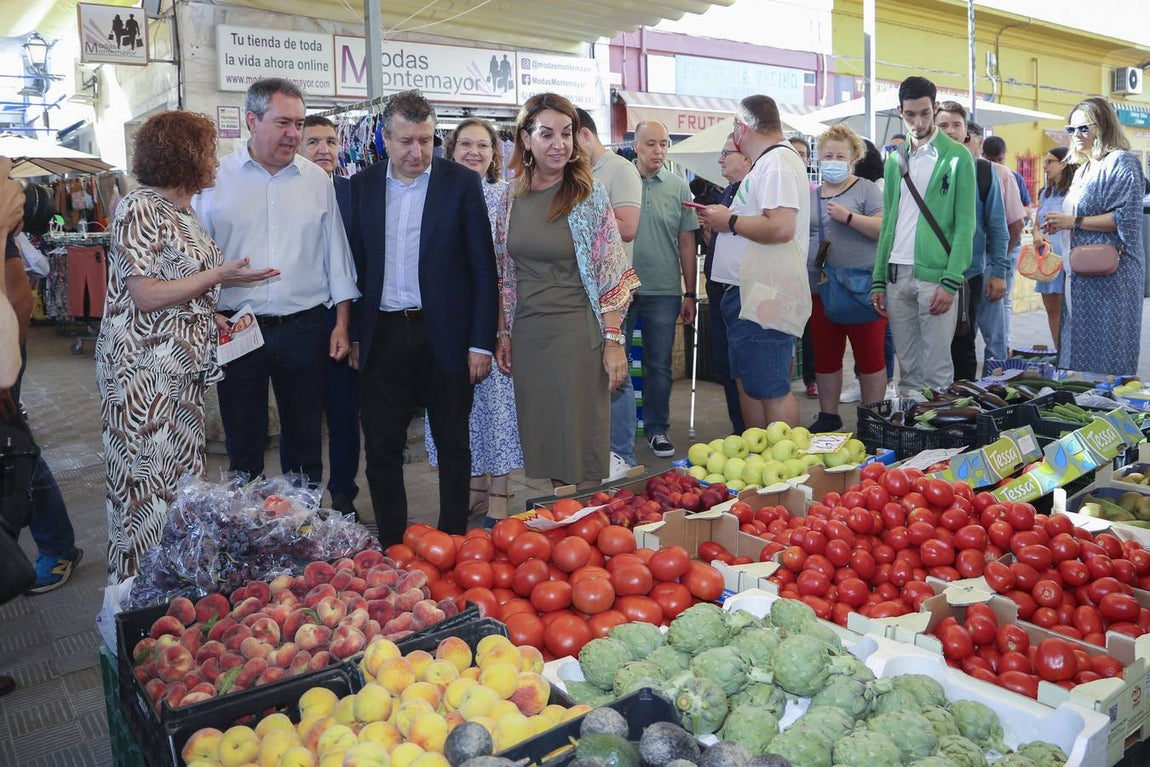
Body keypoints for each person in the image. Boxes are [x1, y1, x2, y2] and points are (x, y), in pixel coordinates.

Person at [97, 111, 279, 582]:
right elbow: (145, 293)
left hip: (181, 369)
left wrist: (215, 311)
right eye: (209, 148)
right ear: (185, 155)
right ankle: (133, 592)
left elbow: (181, 287)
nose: (216, 159)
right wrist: (221, 275)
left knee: (179, 485)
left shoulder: (183, 209)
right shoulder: (139, 207)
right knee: (145, 486)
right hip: (143, 372)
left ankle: (170, 585)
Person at [348, 90, 499, 545]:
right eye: (407, 141)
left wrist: (480, 342)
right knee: (381, 448)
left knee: (454, 444)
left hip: (446, 336)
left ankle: (451, 541)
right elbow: (356, 265)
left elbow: (482, 268)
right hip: (384, 335)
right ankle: (392, 545)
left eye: (427, 141)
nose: (418, 152)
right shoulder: (362, 186)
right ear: (385, 138)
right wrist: (355, 333)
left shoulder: (460, 184)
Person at [193, 79, 360, 488]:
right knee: (243, 440)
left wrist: (341, 324)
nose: (294, 134)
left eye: (299, 123)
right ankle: (248, 536)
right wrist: (209, 308)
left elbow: (336, 254)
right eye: (283, 122)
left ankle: (301, 526)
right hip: (236, 327)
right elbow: (194, 255)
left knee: (304, 438)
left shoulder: (316, 180)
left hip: (305, 327)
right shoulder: (215, 180)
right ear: (252, 120)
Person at [493, 92, 638, 488]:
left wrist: (613, 342)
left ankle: (584, 528)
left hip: (578, 334)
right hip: (529, 334)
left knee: (580, 443)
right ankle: (562, 524)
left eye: (567, 133)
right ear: (526, 139)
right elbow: (504, 274)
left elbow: (611, 273)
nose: (558, 144)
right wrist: (504, 331)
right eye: (546, 133)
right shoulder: (507, 197)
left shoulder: (588, 197)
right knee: (545, 439)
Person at [422, 118, 523, 528]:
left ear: (495, 154)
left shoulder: (506, 197)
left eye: (483, 145)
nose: (474, 152)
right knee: (459, 410)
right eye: (466, 144)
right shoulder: (434, 192)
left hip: (497, 316)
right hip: (448, 319)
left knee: (498, 407)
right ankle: (473, 490)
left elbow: (506, 264)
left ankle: (499, 494)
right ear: (451, 149)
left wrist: (502, 324)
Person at [698, 94, 811, 429]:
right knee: (750, 383)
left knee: (770, 387)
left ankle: (784, 467)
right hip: (750, 292)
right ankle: (761, 460)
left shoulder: (777, 162)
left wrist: (728, 221)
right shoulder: (768, 163)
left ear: (741, 127)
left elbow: (780, 227)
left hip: (764, 292)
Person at [869, 76, 974, 394]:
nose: (918, 122)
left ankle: (941, 442)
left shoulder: (957, 157)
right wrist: (877, 279)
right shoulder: (894, 160)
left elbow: (965, 225)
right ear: (900, 111)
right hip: (896, 274)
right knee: (908, 370)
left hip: (936, 277)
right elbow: (889, 223)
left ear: (935, 108)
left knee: (937, 371)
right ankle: (912, 438)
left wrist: (951, 279)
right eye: (910, 114)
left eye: (925, 113)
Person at [1043, 96, 1145, 375]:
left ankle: (1105, 409)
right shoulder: (1084, 168)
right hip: (1081, 276)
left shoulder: (1122, 163)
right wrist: (1063, 224)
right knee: (1078, 357)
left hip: (1112, 278)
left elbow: (1127, 219)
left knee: (1107, 357)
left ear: (1103, 127)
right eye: (1071, 129)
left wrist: (1073, 221)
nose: (1075, 135)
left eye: (1083, 128)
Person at [296, 115, 360, 516]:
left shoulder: (355, 192)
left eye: (331, 141)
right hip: (301, 322)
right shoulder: (290, 193)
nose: (324, 149)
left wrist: (355, 330)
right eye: (313, 141)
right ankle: (302, 503)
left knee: (344, 417)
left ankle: (343, 498)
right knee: (300, 419)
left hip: (345, 321)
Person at [575, 108, 643, 478]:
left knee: (617, 373)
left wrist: (584, 212)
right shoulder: (578, 174)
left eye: (569, 137)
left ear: (584, 134)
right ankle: (598, 451)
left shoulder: (620, 170)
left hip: (611, 292)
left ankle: (621, 454)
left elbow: (628, 227)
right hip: (580, 296)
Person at [805, 124, 885, 432]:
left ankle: (873, 419)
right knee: (825, 353)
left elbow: (881, 227)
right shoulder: (812, 195)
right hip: (821, 287)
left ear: (853, 158)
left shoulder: (866, 189)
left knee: (870, 354)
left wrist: (849, 217)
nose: (833, 160)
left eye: (840, 155)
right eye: (827, 155)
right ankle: (829, 415)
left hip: (863, 286)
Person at [628, 120, 698, 459]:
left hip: (664, 290)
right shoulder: (616, 180)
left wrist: (690, 292)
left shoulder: (678, 187)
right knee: (615, 364)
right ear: (636, 146)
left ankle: (657, 429)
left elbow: (687, 241)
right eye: (651, 144)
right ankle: (619, 434)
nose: (659, 150)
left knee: (659, 365)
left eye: (664, 144)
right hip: (619, 290)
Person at [935, 101, 1009, 382]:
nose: (950, 130)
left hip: (968, 276)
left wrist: (999, 272)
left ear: (967, 131)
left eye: (956, 124)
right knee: (930, 348)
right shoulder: (921, 167)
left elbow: (998, 227)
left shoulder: (983, 171)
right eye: (943, 125)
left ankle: (963, 409)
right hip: (927, 273)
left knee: (962, 347)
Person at [703, 135, 751, 435]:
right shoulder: (728, 192)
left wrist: (727, 222)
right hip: (719, 288)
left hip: (741, 290)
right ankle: (739, 428)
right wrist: (711, 228)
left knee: (743, 370)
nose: (720, 160)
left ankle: (749, 431)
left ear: (746, 158)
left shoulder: (752, 194)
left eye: (725, 154)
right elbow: (721, 243)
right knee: (727, 366)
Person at [972, 126, 1025, 366]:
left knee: (995, 332)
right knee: (964, 334)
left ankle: (995, 384)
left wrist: (997, 263)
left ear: (977, 142)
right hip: (961, 269)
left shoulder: (1000, 174)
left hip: (990, 263)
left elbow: (1015, 224)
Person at [1030, 146, 1076, 347]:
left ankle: (1073, 354)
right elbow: (1036, 223)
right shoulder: (1045, 193)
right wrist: (1037, 234)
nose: (1045, 166)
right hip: (1047, 258)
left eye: (1050, 162)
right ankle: (1060, 354)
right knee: (1052, 310)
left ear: (1064, 163)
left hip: (1068, 258)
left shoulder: (1074, 192)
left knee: (1072, 310)